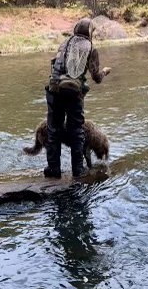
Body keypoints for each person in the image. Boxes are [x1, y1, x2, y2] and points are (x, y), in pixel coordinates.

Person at [45, 18, 108, 179]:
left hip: (53, 89)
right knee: (76, 131)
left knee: (53, 130)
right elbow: (96, 77)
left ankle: (54, 170)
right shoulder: (91, 48)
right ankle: (78, 171)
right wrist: (105, 72)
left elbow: (55, 65)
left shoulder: (64, 44)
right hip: (73, 93)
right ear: (90, 32)